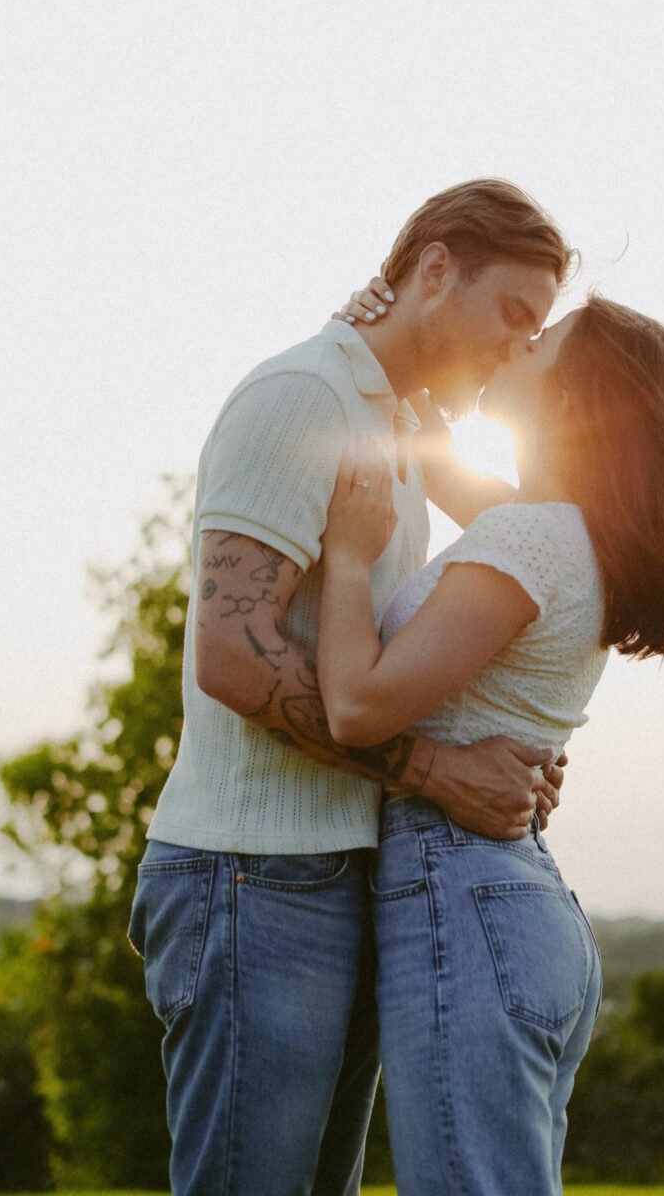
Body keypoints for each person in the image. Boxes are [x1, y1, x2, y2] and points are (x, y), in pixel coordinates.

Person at [127, 180, 576, 1196]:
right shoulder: (303, 398)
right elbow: (231, 656)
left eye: (536, 331)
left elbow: (535, 533)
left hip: (335, 870)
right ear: (431, 268)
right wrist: (438, 769)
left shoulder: (397, 418)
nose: (516, 346)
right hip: (251, 878)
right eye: (510, 315)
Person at [316, 288, 664, 1196]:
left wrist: (346, 559)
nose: (519, 342)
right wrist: (376, 344)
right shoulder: (568, 532)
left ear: (570, 398)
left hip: (465, 896)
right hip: (511, 904)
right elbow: (449, 471)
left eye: (541, 339)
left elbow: (357, 708)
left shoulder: (532, 540)